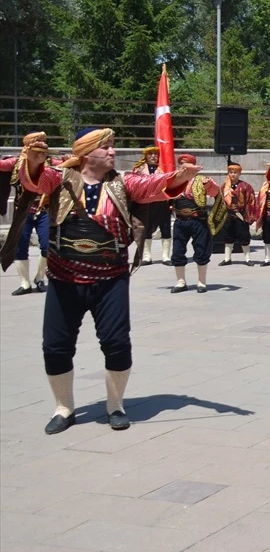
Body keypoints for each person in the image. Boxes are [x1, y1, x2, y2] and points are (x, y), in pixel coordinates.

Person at [11, 128, 201, 434]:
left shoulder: (124, 182)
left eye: (112, 146)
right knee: (56, 347)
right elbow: (34, 178)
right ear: (87, 153)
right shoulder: (59, 179)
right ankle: (64, 407)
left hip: (111, 278)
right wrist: (33, 159)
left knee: (116, 343)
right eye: (107, 147)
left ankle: (115, 405)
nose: (113, 151)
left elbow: (156, 185)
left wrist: (182, 174)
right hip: (64, 278)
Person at [1, 132, 53, 294]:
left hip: (43, 210)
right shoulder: (16, 162)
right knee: (19, 247)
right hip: (22, 211)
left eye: (43, 141)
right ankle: (25, 283)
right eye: (37, 142)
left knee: (47, 245)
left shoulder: (51, 162)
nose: (42, 144)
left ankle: (39, 278)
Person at [170, 154, 223, 293]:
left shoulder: (202, 179)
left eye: (186, 163)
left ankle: (201, 282)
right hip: (180, 220)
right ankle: (181, 282)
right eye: (181, 163)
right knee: (177, 250)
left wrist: (209, 185)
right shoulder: (174, 179)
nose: (183, 166)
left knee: (201, 249)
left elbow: (215, 192)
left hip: (198, 220)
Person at [130, 146, 172, 264]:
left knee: (166, 228)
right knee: (147, 229)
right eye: (150, 154)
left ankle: (166, 256)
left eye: (155, 154)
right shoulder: (139, 169)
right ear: (146, 156)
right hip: (146, 203)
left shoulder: (164, 168)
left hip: (162, 202)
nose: (153, 156)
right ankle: (147, 256)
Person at [217, 163, 258, 266]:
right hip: (228, 215)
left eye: (235, 172)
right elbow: (219, 201)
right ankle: (227, 258)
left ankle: (247, 258)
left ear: (239, 173)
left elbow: (251, 200)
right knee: (228, 236)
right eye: (231, 172)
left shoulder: (245, 186)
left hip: (241, 215)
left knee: (244, 237)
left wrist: (248, 216)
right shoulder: (224, 187)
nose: (233, 175)